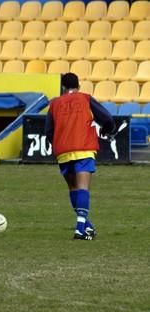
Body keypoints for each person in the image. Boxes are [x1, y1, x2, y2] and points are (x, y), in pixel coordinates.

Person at [45, 72, 115, 241]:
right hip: (83, 147)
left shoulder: (54, 104)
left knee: (73, 188)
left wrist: (58, 143)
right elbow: (107, 119)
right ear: (79, 85)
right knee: (83, 187)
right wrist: (107, 131)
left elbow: (48, 131)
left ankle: (86, 226)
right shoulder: (85, 98)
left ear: (63, 87)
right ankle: (80, 229)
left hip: (63, 151)